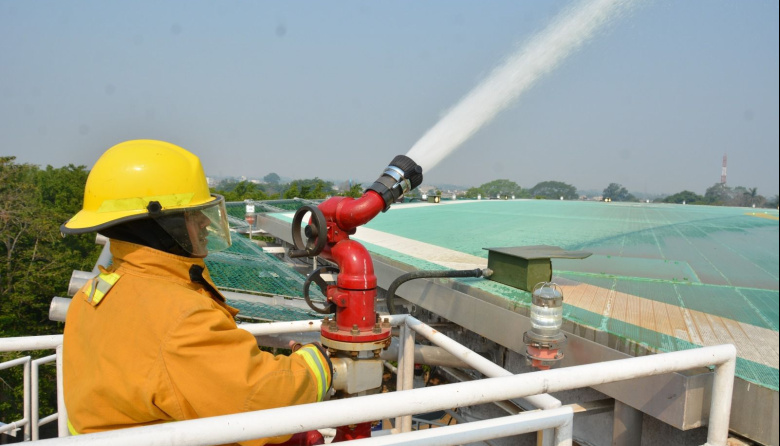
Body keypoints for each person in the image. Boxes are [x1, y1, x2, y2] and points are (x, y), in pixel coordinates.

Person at [60, 139, 332, 446]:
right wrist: (321, 362)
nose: (204, 222)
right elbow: (262, 400)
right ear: (159, 225)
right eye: (191, 214)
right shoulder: (178, 316)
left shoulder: (92, 294)